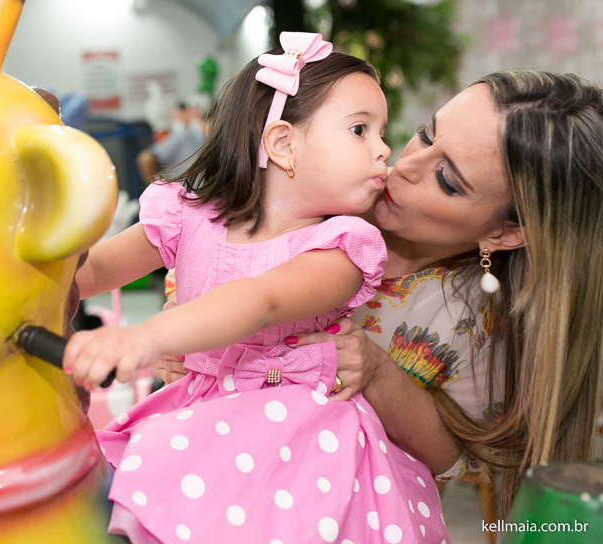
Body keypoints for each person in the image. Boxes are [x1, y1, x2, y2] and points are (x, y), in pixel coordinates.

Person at [155, 69, 603, 521]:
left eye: (446, 179)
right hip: (206, 478)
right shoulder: (321, 196)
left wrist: (375, 371)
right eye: (426, 135)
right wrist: (185, 317)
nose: (402, 166)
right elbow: (209, 250)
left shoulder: (484, 319)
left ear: (505, 233)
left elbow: (452, 460)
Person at [65, 33, 444, 544]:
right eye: (360, 130)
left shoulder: (342, 247)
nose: (384, 151)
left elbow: (261, 300)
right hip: (196, 416)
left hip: (298, 444)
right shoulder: (188, 217)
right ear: (283, 144)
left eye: (381, 131)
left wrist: (145, 337)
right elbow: (90, 270)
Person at [136, 101, 211, 185]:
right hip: (182, 194)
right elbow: (145, 158)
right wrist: (155, 188)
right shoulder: (185, 136)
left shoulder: (213, 142)